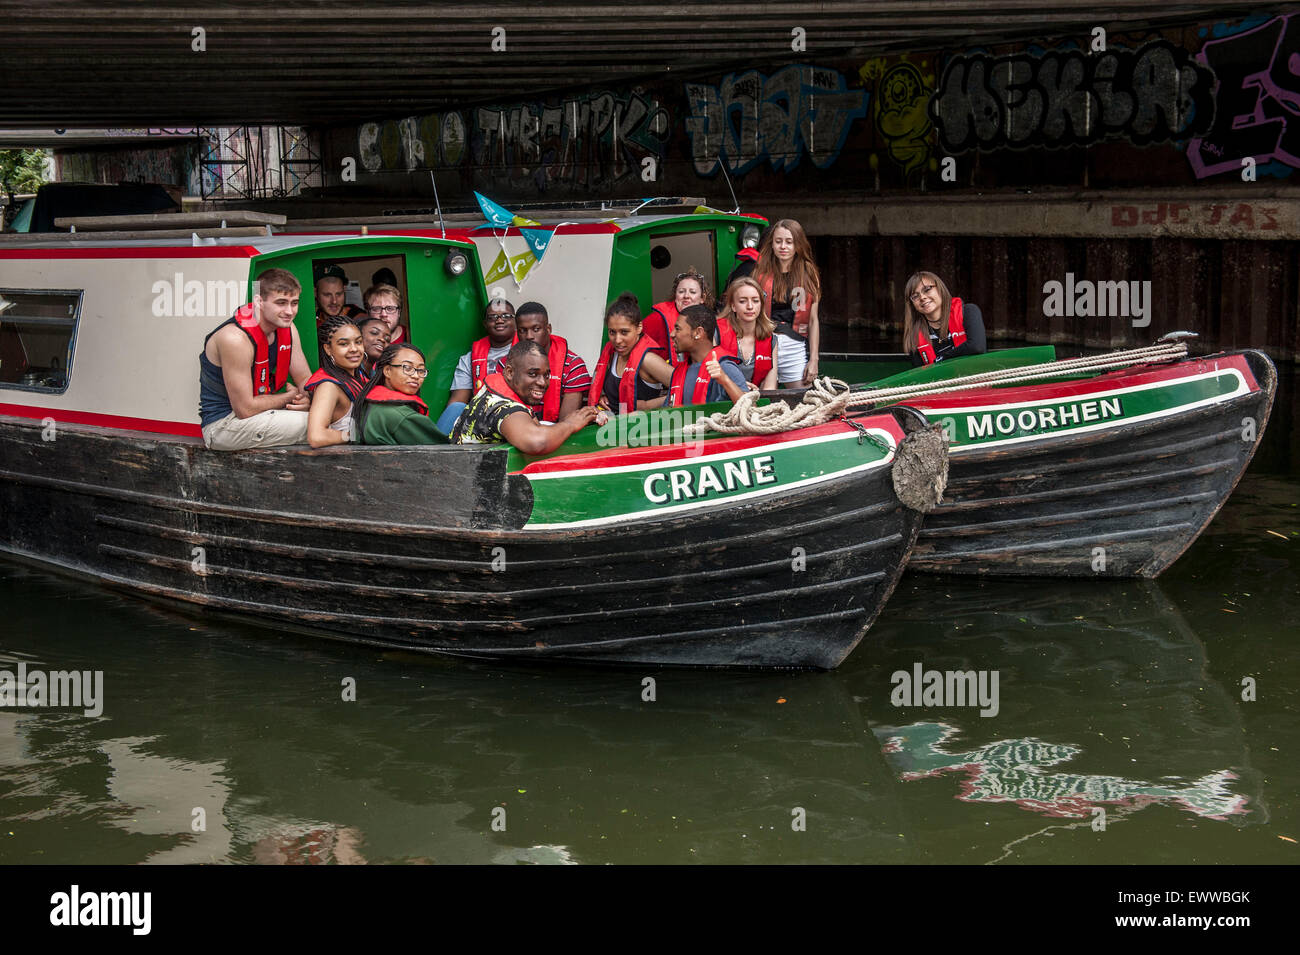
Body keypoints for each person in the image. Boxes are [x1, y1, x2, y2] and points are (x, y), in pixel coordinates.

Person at [198, 268, 311, 451]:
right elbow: (245, 409)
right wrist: (289, 397)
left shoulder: (288, 329)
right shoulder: (235, 338)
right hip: (224, 425)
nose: (289, 311)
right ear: (259, 301)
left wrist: (308, 399)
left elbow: (305, 380)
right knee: (320, 423)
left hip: (262, 414)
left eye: (294, 303)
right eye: (281, 303)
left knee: (327, 413)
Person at [452, 340, 605, 453]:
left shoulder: (503, 390)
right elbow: (538, 442)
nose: (542, 382)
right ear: (510, 372)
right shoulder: (502, 406)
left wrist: (583, 418)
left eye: (546, 375)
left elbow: (535, 427)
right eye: (532, 374)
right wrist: (571, 424)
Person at [751, 219, 822, 387]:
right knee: (765, 399)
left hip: (794, 344)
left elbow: (813, 320)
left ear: (798, 244)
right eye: (778, 241)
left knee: (803, 401)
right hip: (764, 343)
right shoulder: (759, 273)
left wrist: (814, 359)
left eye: (789, 242)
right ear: (772, 244)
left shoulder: (809, 274)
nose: (783, 246)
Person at [586, 292, 673, 414]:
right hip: (612, 427)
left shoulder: (647, 360)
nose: (617, 340)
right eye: (612, 332)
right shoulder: (612, 354)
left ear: (639, 328)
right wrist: (602, 395)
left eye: (624, 332)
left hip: (642, 429)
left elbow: (685, 389)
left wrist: (647, 405)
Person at [353, 343, 447, 445]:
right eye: (407, 368)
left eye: (421, 370)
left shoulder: (367, 401)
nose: (416, 376)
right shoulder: (403, 416)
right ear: (387, 370)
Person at [514, 302, 591, 422]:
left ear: (548, 329)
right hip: (519, 431)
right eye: (523, 330)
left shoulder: (573, 365)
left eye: (536, 329)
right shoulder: (507, 364)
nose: (529, 336)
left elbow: (567, 423)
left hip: (558, 434)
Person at [664, 304, 748, 407]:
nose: (672, 334)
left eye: (678, 329)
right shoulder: (678, 372)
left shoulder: (725, 367)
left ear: (698, 332)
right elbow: (667, 414)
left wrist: (725, 380)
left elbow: (751, 411)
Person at [304, 315, 367, 448]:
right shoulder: (328, 386)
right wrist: (353, 435)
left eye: (358, 342)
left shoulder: (360, 377)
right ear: (328, 349)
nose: (354, 349)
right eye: (344, 344)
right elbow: (317, 436)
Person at [902, 271, 987, 367]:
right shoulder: (914, 335)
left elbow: (976, 347)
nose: (922, 297)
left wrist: (942, 358)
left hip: (974, 379)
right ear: (912, 305)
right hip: (941, 381)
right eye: (915, 296)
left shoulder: (969, 311)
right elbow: (919, 371)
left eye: (927, 289)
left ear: (940, 289)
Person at [715, 276, 777, 390]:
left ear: (761, 304)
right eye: (743, 301)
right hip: (723, 399)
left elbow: (770, 387)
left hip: (755, 401)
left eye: (755, 301)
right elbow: (707, 375)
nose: (750, 306)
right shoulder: (717, 331)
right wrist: (737, 385)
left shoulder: (771, 338)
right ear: (733, 306)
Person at [641, 268, 712, 364]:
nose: (686, 296)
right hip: (666, 374)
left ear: (702, 298)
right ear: (675, 296)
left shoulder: (709, 321)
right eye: (681, 291)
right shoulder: (658, 318)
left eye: (692, 292)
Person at [363, 282, 407, 346]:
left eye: (390, 308)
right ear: (368, 313)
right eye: (376, 309)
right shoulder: (361, 340)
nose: (383, 314)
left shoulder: (411, 335)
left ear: (399, 312)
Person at [356, 313, 391, 380]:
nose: (382, 339)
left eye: (387, 339)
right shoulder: (347, 371)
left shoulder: (378, 378)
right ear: (358, 334)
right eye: (374, 333)